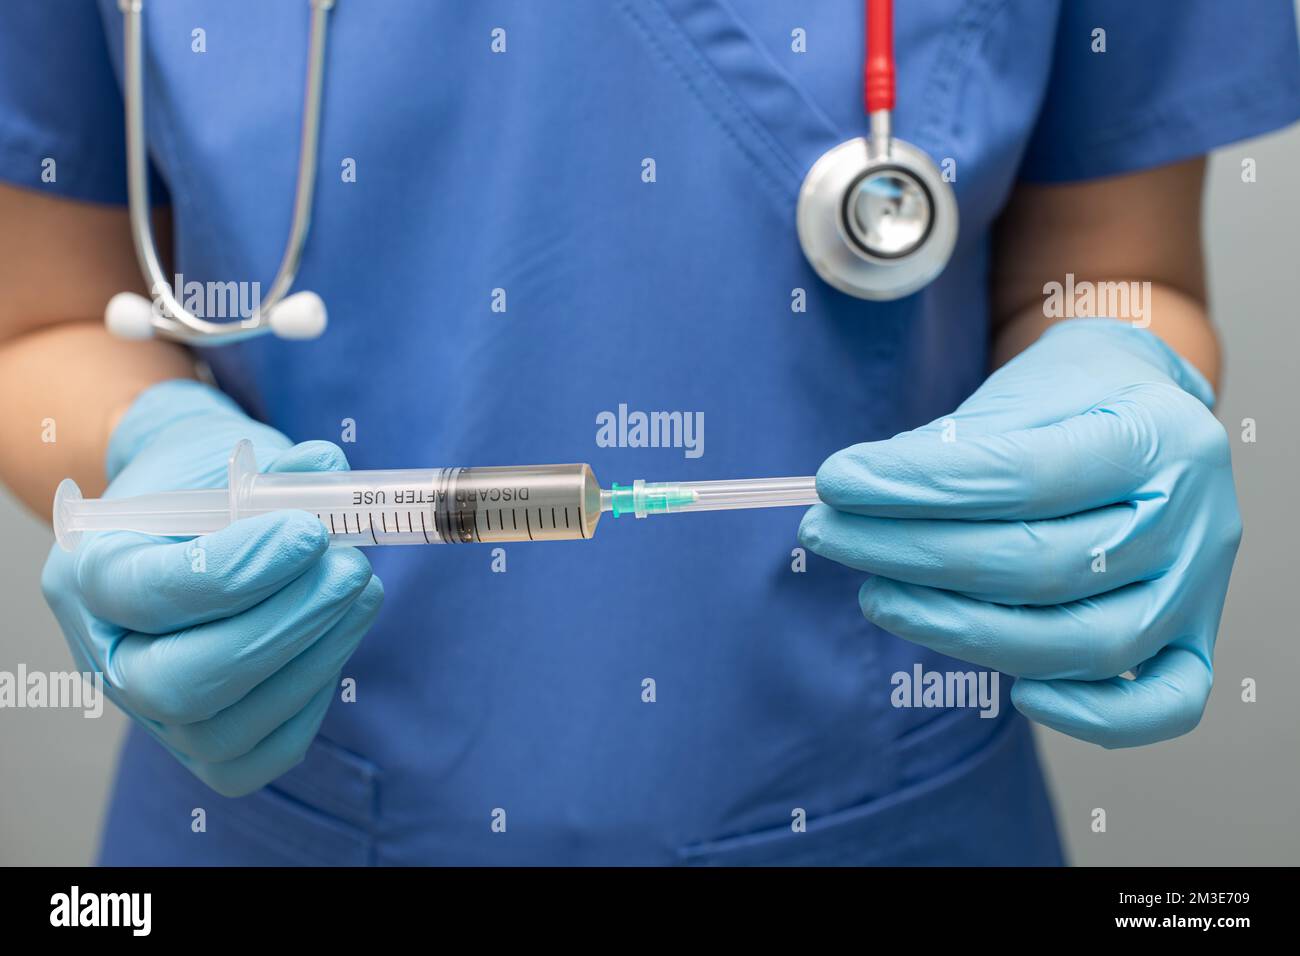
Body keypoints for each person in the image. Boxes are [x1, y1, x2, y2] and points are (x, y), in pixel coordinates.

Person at [0, 0, 1296, 866]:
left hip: (887, 811)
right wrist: (145, 456)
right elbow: (38, 321)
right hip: (278, 808)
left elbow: (1121, 275)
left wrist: (1118, 368)